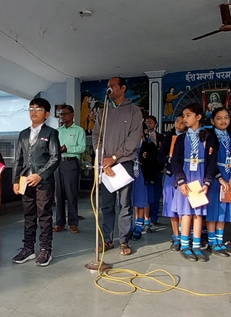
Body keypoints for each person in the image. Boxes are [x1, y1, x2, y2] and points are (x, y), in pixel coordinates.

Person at [93, 77, 144, 256]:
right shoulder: (103, 112)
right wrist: (103, 161)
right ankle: (107, 240)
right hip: (105, 165)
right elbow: (96, 137)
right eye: (108, 87)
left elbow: (134, 138)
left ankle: (124, 241)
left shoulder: (134, 111)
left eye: (113, 86)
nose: (109, 89)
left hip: (124, 163)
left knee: (124, 205)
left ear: (123, 88)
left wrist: (114, 158)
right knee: (107, 205)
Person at [11, 98, 61, 267]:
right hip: (25, 180)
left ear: (46, 114)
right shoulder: (23, 134)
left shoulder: (51, 133)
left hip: (43, 182)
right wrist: (15, 180)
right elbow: (18, 159)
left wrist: (40, 175)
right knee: (28, 215)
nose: (33, 112)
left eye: (38, 109)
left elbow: (55, 157)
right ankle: (28, 248)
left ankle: (46, 249)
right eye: (31, 108)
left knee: (44, 215)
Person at [171, 103, 218, 262]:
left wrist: (207, 182)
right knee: (186, 213)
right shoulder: (181, 138)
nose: (185, 118)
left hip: (200, 176)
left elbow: (212, 161)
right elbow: (175, 161)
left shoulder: (208, 137)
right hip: (185, 176)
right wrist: (181, 181)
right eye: (183, 115)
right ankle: (185, 245)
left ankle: (196, 246)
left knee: (198, 212)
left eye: (188, 115)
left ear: (198, 117)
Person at [205, 107, 231, 257]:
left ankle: (219, 240)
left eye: (226, 117)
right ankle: (212, 242)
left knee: (224, 209)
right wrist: (220, 178)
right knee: (214, 208)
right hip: (215, 176)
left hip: (229, 175)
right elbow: (209, 160)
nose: (223, 121)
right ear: (212, 121)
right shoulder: (210, 137)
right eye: (219, 118)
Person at [53, 105, 86, 234]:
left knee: (71, 194)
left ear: (72, 115)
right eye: (61, 114)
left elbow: (82, 148)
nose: (63, 116)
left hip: (71, 163)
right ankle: (59, 223)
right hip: (58, 163)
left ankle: (73, 223)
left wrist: (68, 149)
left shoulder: (79, 130)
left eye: (65, 114)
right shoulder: (57, 131)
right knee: (58, 195)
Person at [160, 113, 187, 250]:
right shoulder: (168, 138)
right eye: (177, 121)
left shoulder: (188, 138)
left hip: (185, 176)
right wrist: (170, 159)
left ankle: (184, 235)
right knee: (172, 208)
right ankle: (176, 236)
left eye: (182, 122)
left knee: (184, 208)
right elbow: (160, 157)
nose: (179, 124)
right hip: (171, 175)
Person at [144, 116, 165, 225]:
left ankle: (154, 218)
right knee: (148, 193)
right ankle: (145, 217)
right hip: (147, 169)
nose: (149, 124)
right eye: (147, 122)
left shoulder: (161, 137)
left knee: (157, 194)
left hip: (157, 168)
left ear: (156, 124)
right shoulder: (142, 137)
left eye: (151, 122)